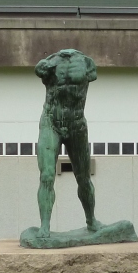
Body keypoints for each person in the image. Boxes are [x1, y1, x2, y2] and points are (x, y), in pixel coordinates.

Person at [33, 49, 98, 237]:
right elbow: (39, 70)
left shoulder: (87, 63)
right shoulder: (50, 62)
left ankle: (91, 221)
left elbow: (92, 75)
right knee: (46, 176)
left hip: (76, 123)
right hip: (51, 121)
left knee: (83, 178)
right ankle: (44, 226)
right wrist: (44, 66)